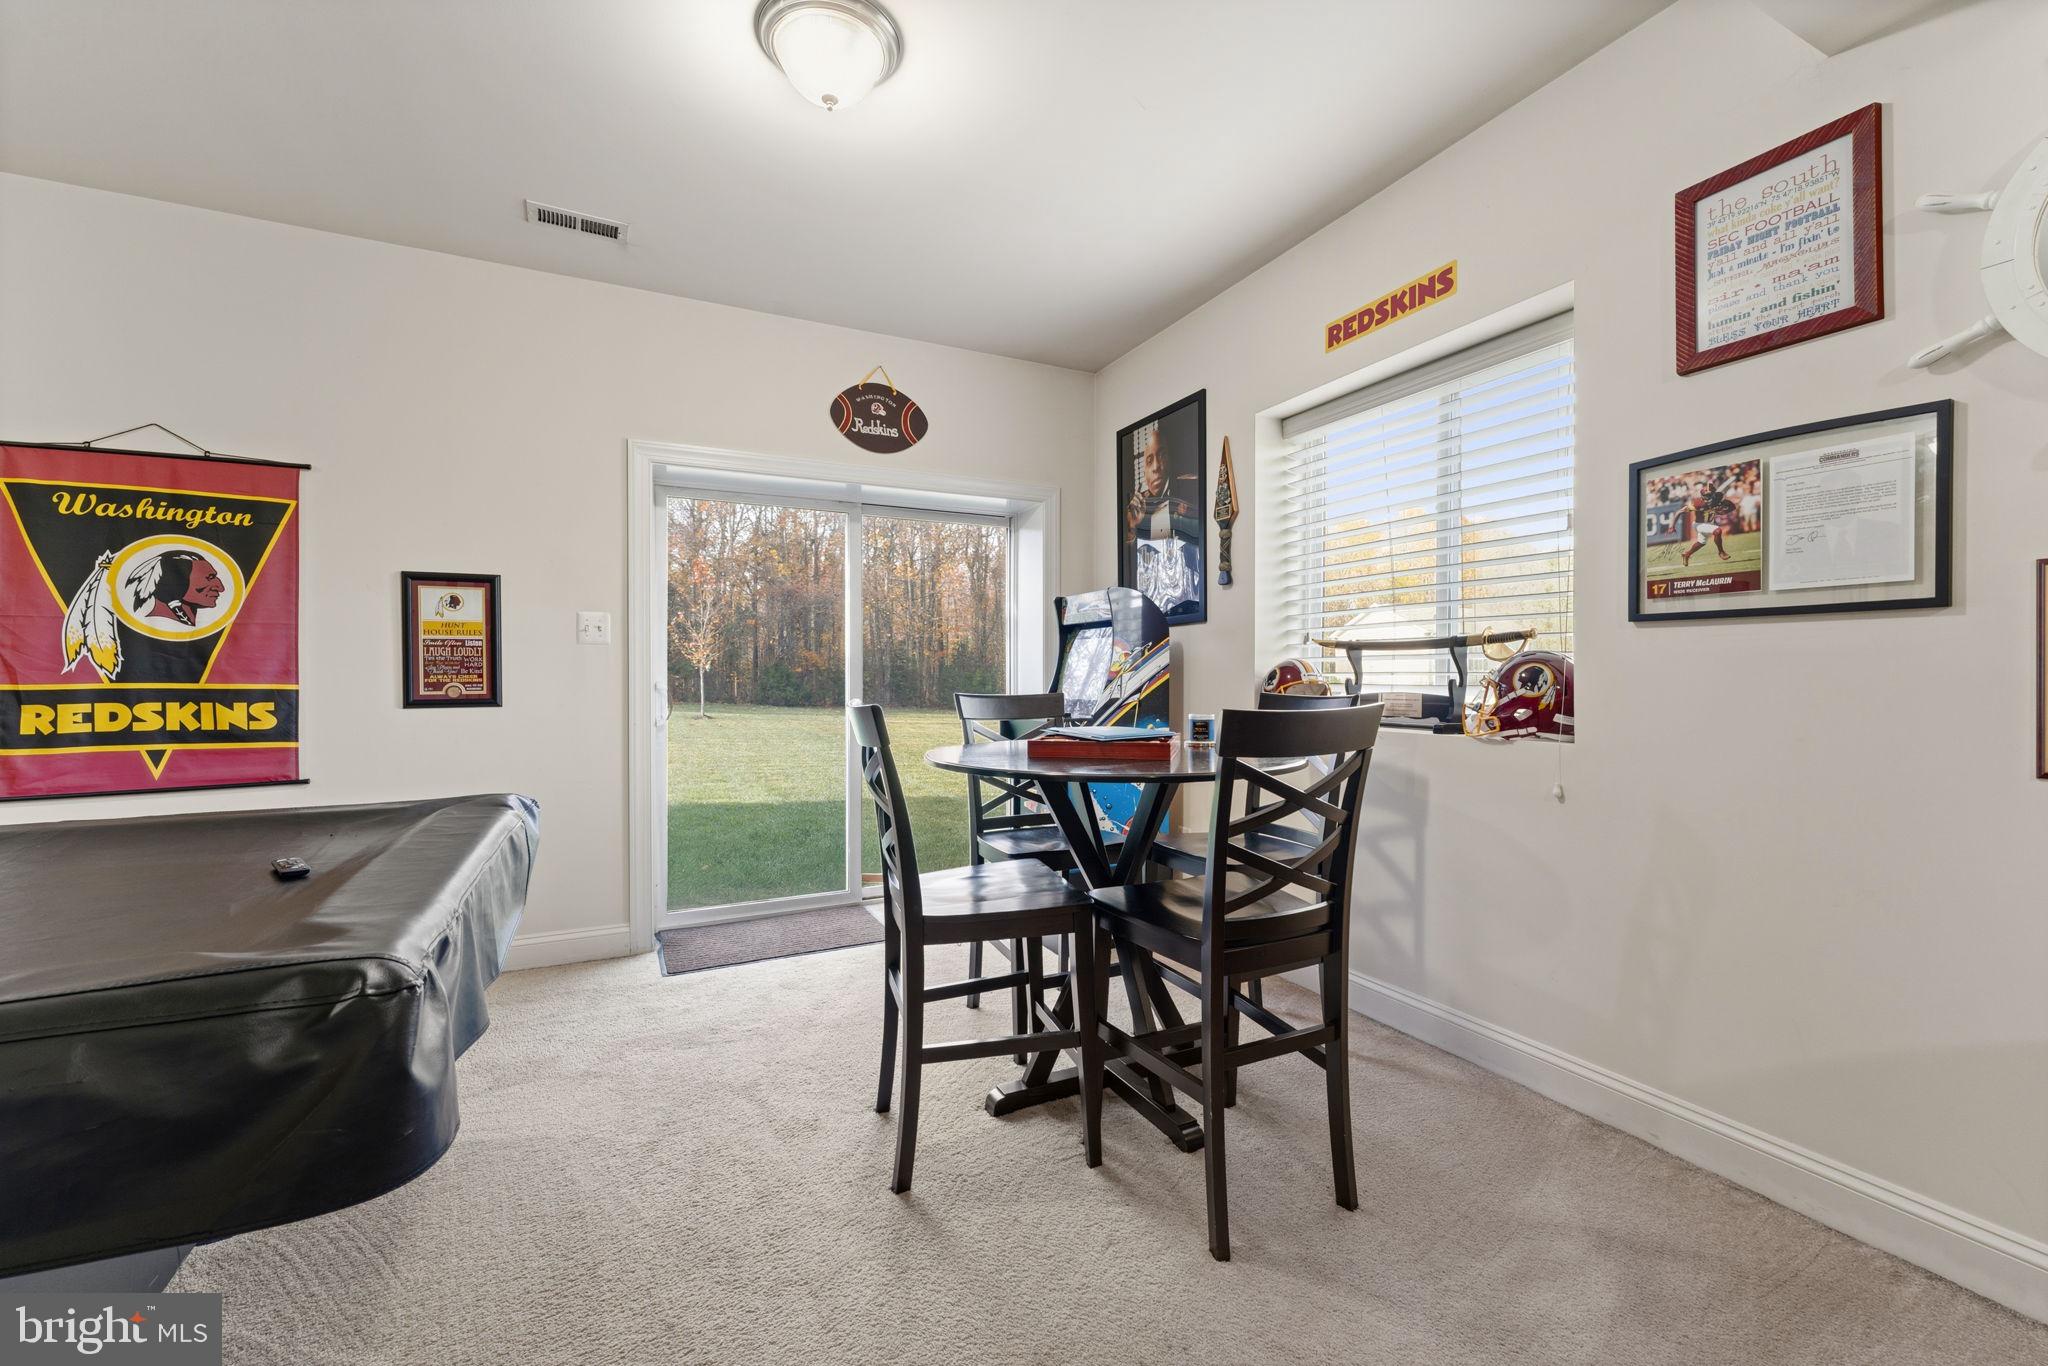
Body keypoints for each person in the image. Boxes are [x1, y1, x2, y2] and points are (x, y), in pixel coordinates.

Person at [1679, 478, 1739, 567]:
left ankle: (1687, 554)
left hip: (1709, 523)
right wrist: (1672, 524)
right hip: (1699, 524)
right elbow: (1682, 510)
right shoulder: (1698, 503)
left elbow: (1732, 506)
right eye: (1706, 497)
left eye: (1709, 496)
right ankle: (1721, 552)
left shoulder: (1717, 498)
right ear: (1702, 497)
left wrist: (1722, 512)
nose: (1708, 499)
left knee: (1701, 542)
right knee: (1717, 531)